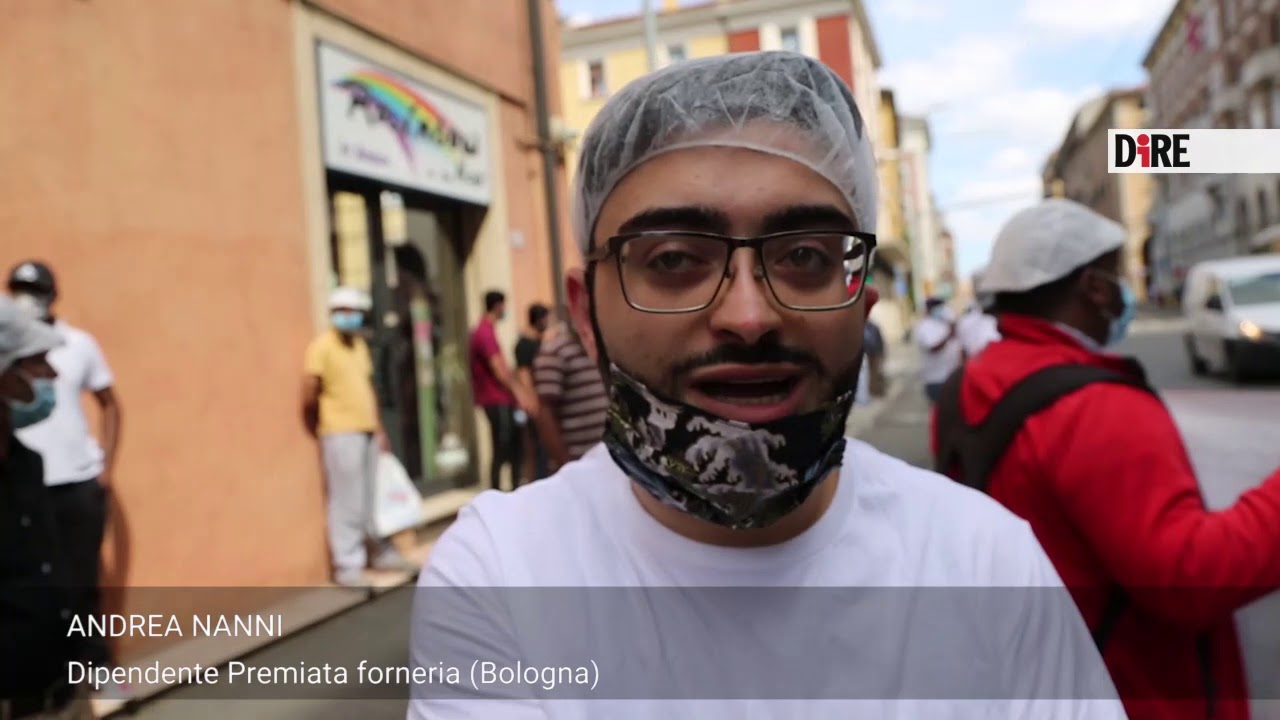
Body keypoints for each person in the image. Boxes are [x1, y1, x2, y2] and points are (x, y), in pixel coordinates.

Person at [409, 52, 1123, 719]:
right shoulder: (504, 572)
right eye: (674, 259)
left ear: (863, 302)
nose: (748, 316)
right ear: (584, 313)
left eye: (806, 255)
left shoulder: (985, 561)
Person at [931, 198, 1280, 720]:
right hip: (1135, 691)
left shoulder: (969, 385)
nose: (1125, 293)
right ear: (1094, 288)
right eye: (1118, 277)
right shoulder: (1097, 406)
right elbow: (1191, 576)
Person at [6, 261, 122, 673]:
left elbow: (110, 404)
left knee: (81, 585)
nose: (25, 297)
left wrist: (104, 468)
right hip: (24, 488)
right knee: (35, 590)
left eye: (34, 289)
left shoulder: (78, 344)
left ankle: (94, 669)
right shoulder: (6, 345)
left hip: (75, 483)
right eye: (17, 288)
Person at [0, 295, 94, 719]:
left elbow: (53, 577)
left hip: (59, 689)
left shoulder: (26, 464)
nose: (52, 373)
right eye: (36, 361)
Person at [303, 286, 416, 587]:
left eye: (352, 312)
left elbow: (369, 389)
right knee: (346, 499)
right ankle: (347, 563)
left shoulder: (359, 346)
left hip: (366, 430)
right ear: (332, 314)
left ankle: (379, 550)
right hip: (340, 432)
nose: (348, 317)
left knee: (370, 495)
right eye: (342, 312)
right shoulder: (322, 347)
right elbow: (310, 391)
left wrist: (379, 428)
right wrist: (322, 420)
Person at [467, 290, 533, 491]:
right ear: (497, 306)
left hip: (500, 399)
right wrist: (520, 393)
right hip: (496, 400)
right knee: (504, 448)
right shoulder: (484, 332)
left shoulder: (486, 331)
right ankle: (498, 492)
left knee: (511, 448)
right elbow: (498, 370)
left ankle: (510, 490)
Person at [530, 318, 607, 472]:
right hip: (578, 462)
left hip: (608, 464)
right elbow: (544, 413)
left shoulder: (605, 350)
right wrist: (566, 465)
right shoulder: (554, 353)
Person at [514, 303, 550, 482]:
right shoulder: (524, 345)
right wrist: (531, 400)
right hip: (535, 403)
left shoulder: (540, 341)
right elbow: (524, 374)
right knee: (537, 448)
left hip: (543, 401)